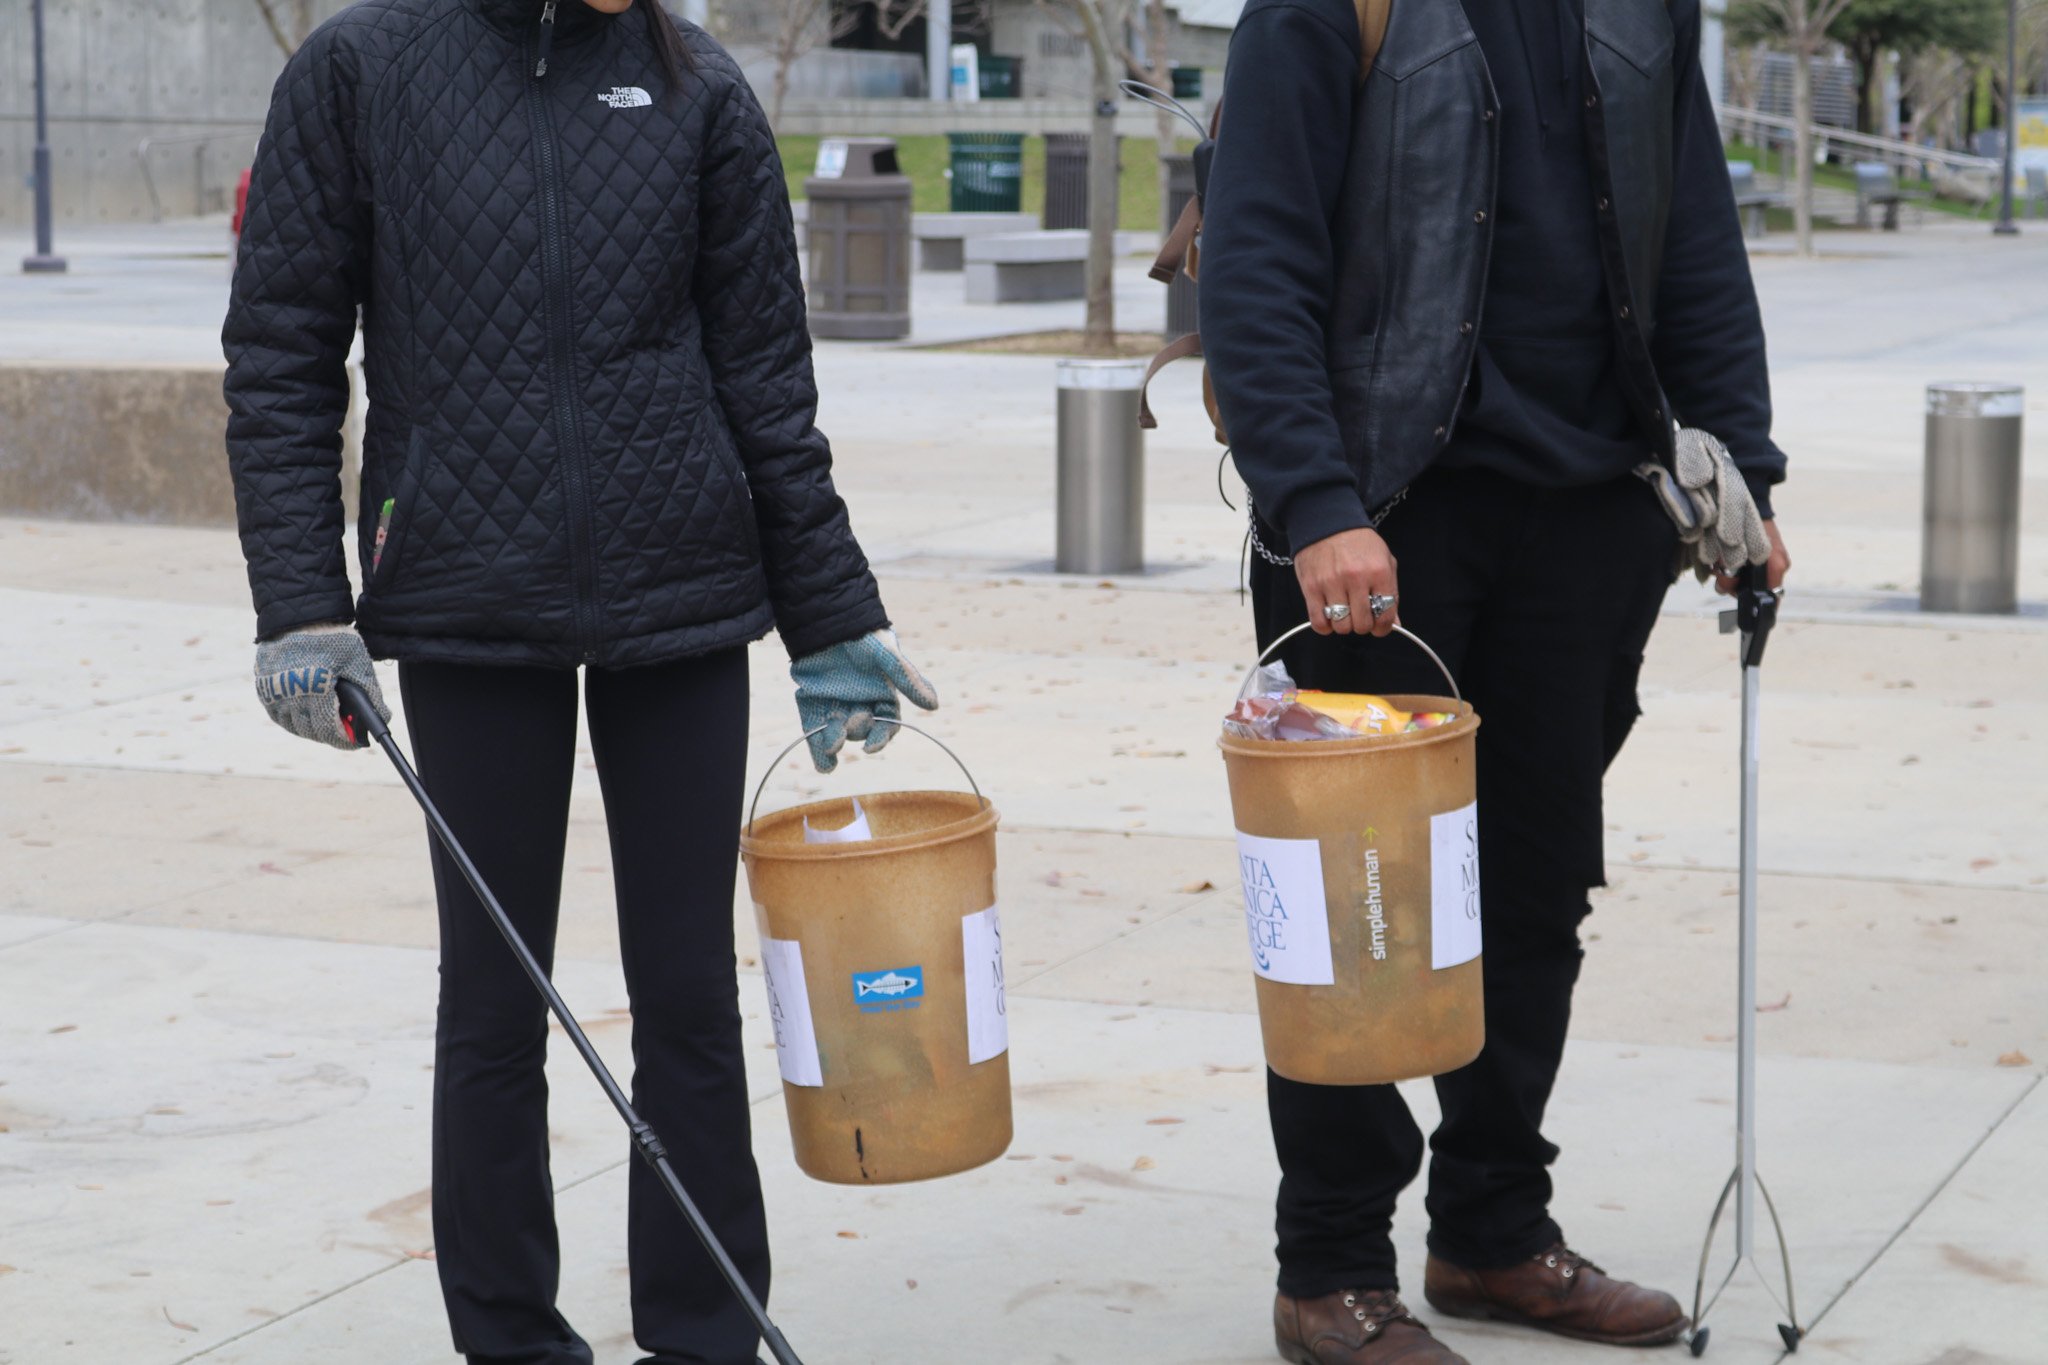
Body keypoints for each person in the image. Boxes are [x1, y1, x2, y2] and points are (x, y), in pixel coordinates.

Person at [223, 2, 936, 1361]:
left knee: (689, 997)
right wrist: (304, 603)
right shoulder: (361, 71)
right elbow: (283, 354)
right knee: (494, 1001)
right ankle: (510, 1340)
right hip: (465, 604)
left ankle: (707, 1331)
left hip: (683, 610)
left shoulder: (700, 90)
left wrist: (830, 615)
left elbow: (767, 387)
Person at [1199, 0, 1792, 1360]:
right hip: (1382, 520)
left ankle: (1490, 1231)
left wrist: (1743, 471)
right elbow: (1258, 255)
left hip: (1588, 513)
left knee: (1532, 892)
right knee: (1351, 920)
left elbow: (1693, 232)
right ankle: (1330, 1267)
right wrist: (1313, 497)